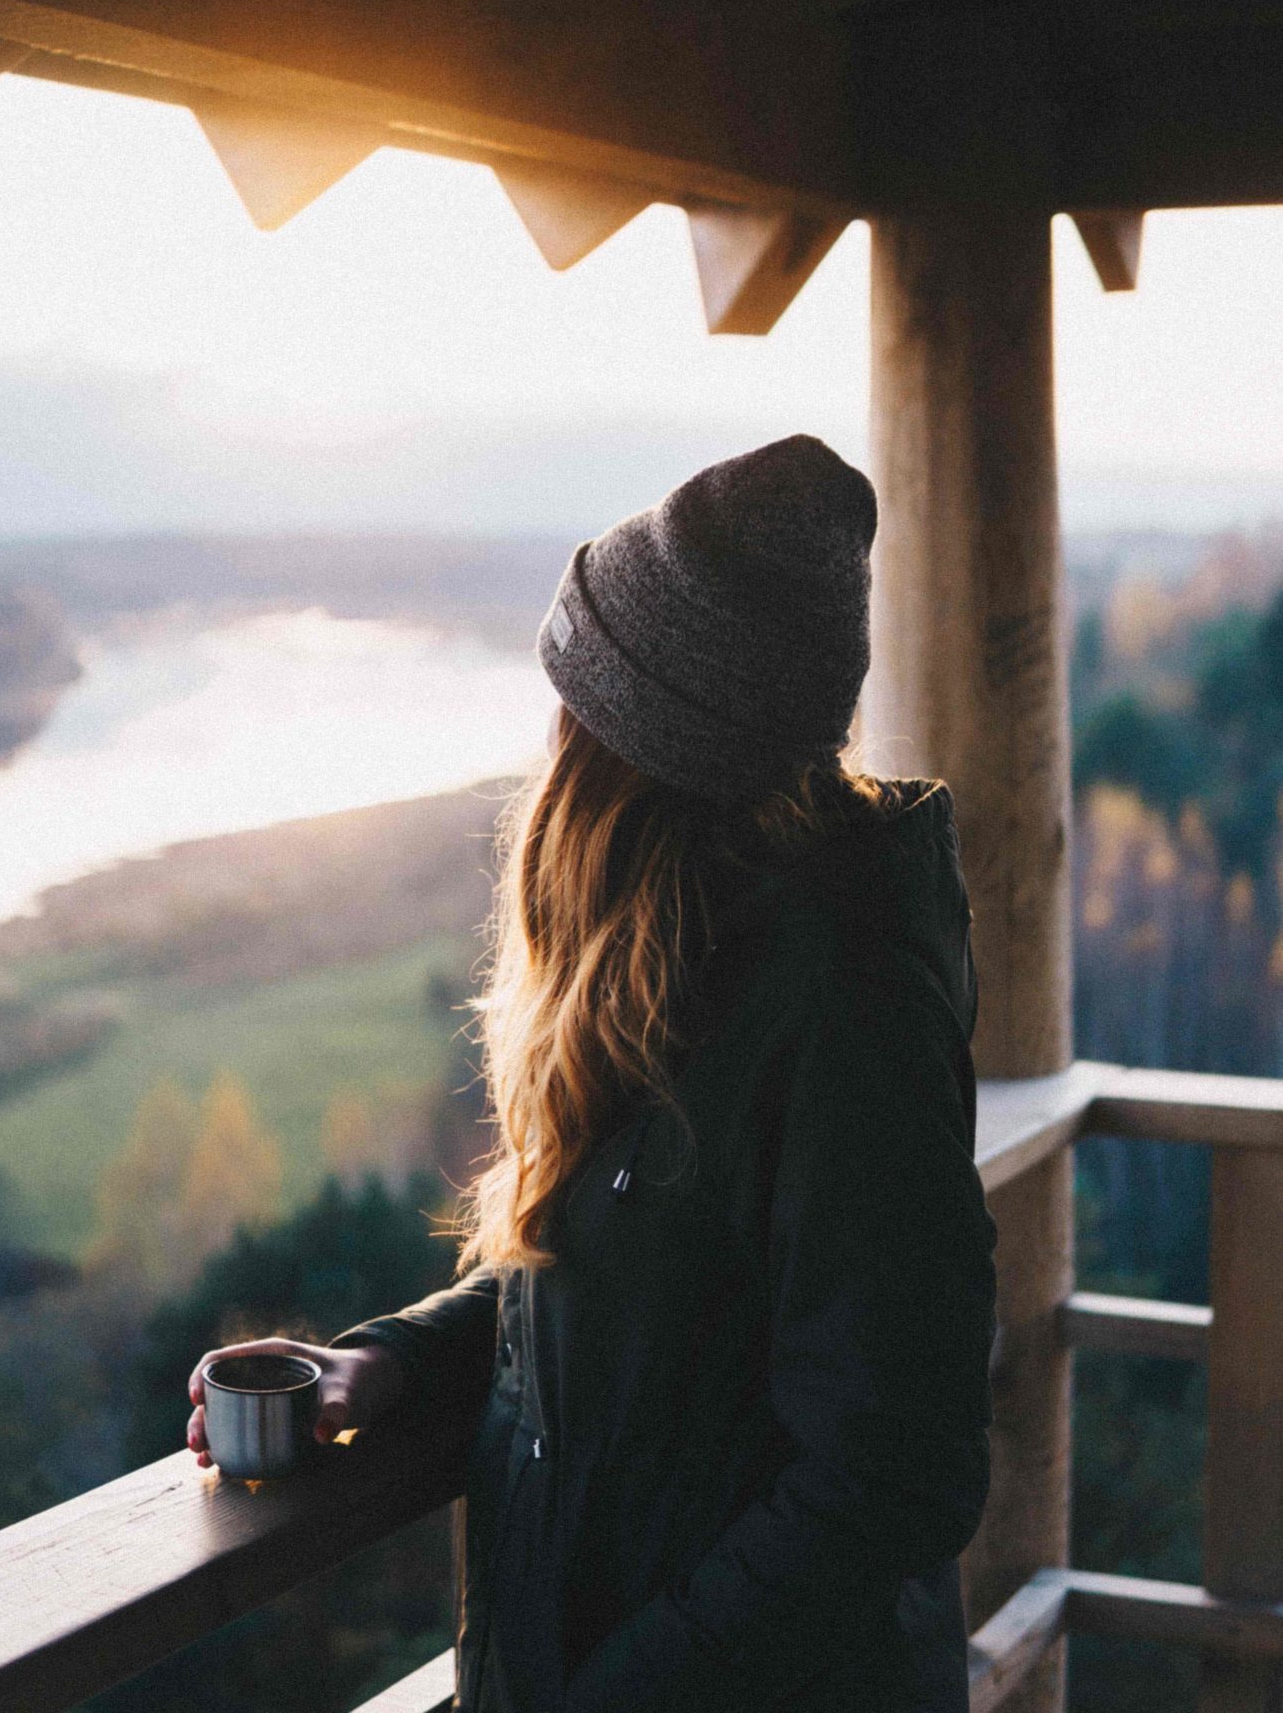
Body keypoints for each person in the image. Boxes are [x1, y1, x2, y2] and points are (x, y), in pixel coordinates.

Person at [186, 434, 999, 1712]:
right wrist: (390, 1363)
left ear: (641, 746)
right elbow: (616, 1292)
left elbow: (893, 1472)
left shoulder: (843, 1002)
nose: (550, 732)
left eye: (574, 693)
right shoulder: (686, 955)